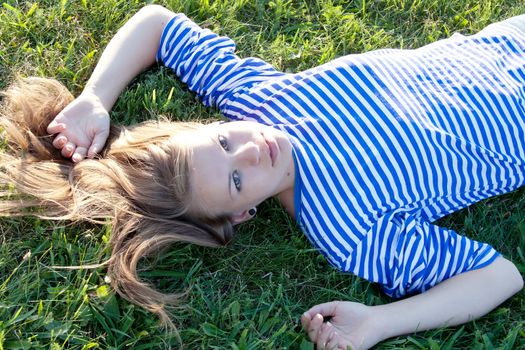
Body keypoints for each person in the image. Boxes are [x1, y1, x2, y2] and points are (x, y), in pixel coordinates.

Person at [2, 4, 524, 349]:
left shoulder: (257, 99)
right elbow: (499, 276)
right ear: (241, 214)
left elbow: (157, 23)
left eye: (224, 141)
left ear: (207, 125)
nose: (254, 149)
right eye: (235, 180)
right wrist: (381, 323)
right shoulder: (349, 226)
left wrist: (95, 97)